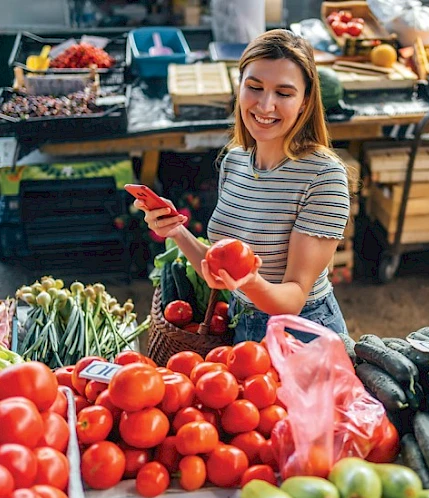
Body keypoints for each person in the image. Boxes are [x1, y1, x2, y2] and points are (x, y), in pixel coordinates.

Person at [135, 29, 351, 344]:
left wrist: (247, 281)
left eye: (284, 93)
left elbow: (293, 297)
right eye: (254, 87)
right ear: (240, 88)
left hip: (302, 333)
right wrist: (176, 231)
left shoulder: (323, 177)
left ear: (305, 102)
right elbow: (220, 270)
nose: (265, 105)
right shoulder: (235, 160)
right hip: (243, 325)